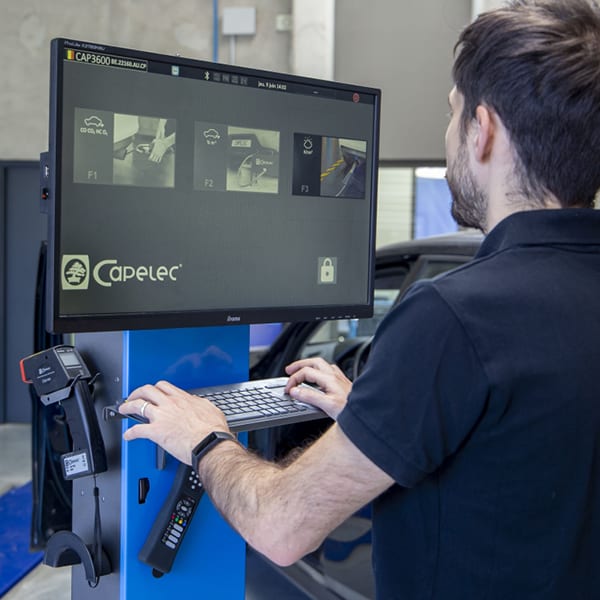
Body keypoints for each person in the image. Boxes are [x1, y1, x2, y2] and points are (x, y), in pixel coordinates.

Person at [119, 0, 600, 597]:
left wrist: (204, 437)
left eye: (452, 113)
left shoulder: (451, 318)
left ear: (483, 131)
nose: (447, 134)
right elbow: (523, 455)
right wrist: (375, 414)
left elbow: (280, 527)